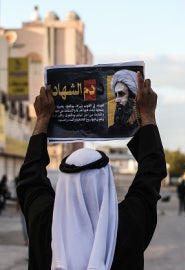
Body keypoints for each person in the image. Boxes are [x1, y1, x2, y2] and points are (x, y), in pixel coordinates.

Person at [16, 72, 167, 270]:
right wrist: (147, 115)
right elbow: (151, 172)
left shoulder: (44, 223)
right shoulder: (130, 223)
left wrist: (42, 119)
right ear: (105, 181)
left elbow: (29, 180)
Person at [108, 69, 140, 136]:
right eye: (116, 95)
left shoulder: (141, 129)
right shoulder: (112, 131)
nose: (116, 100)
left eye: (121, 94)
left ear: (133, 98)